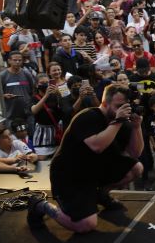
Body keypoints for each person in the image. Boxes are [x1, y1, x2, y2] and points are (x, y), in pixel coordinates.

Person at [37, 85, 144, 232]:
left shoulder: (120, 120)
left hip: (93, 170)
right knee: (86, 224)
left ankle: (100, 194)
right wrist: (118, 121)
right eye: (118, 106)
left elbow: (135, 153)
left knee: (136, 168)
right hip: (69, 177)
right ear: (105, 103)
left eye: (125, 106)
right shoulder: (88, 116)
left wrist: (137, 127)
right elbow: (96, 146)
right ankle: (41, 205)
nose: (123, 110)